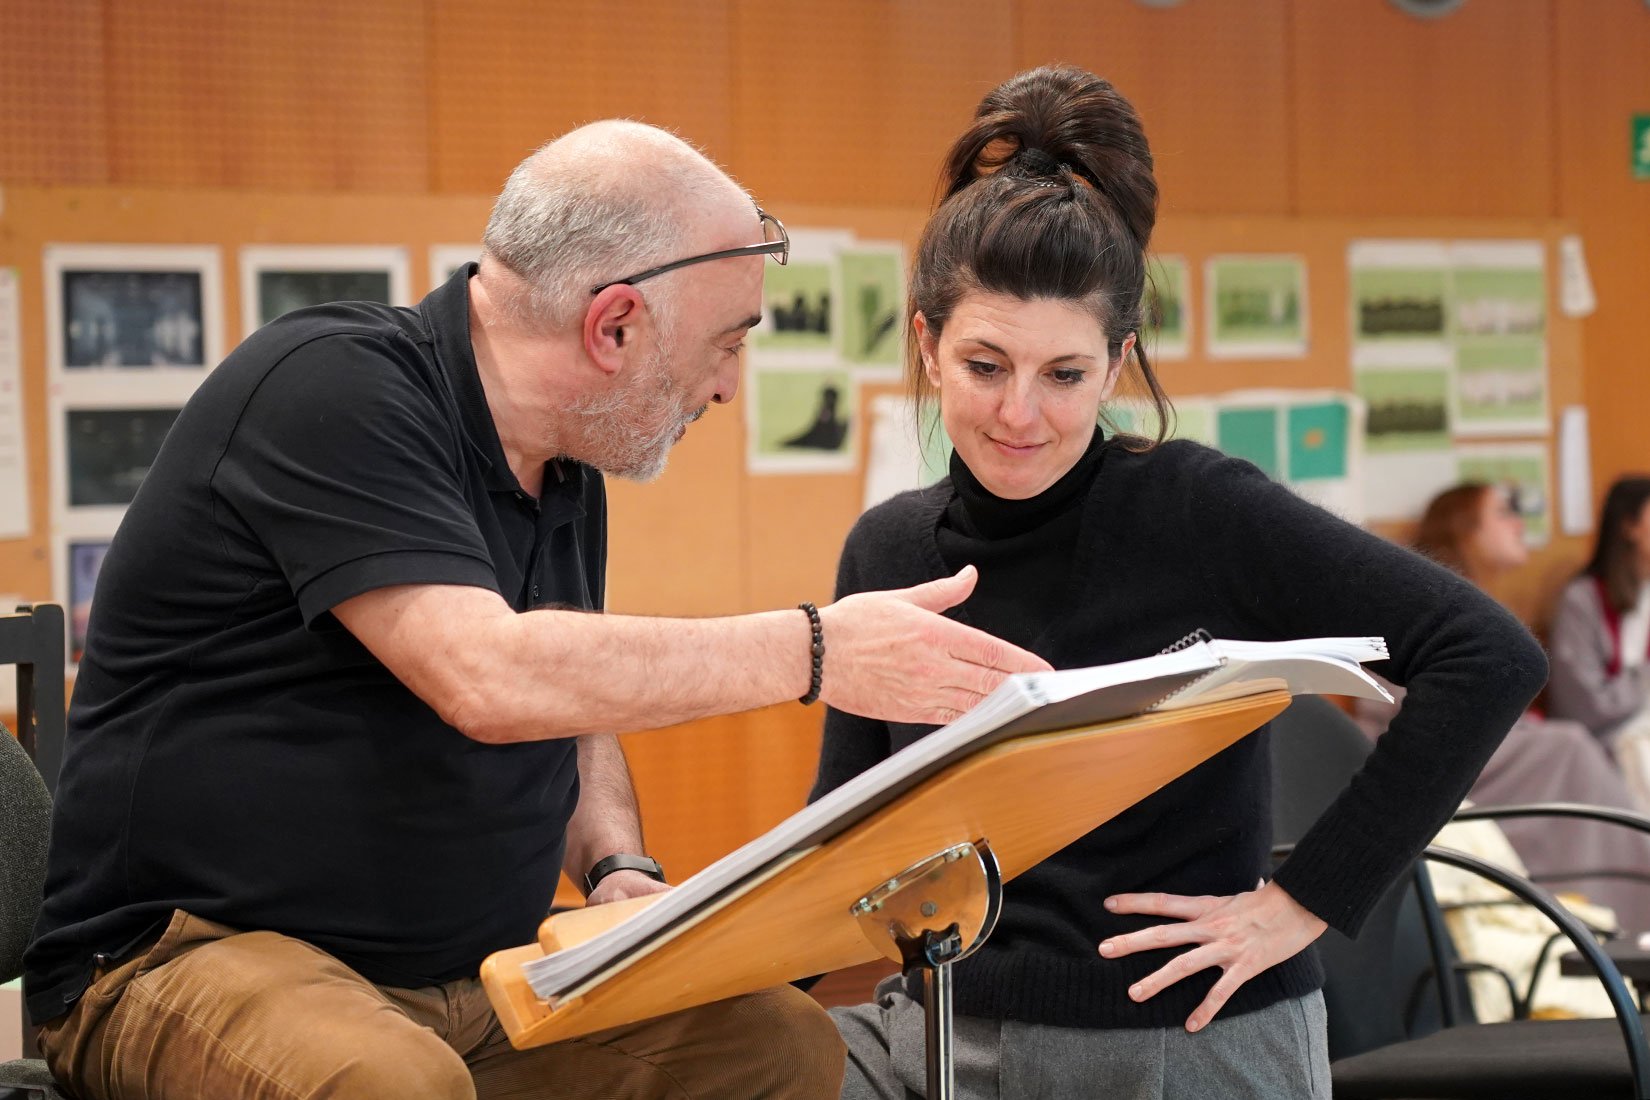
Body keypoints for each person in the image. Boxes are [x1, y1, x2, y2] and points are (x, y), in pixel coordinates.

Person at [23, 120, 1052, 1100]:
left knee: (775, 1044)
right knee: (389, 1082)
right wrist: (820, 647)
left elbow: (566, 691)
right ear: (614, 324)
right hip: (182, 955)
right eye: (727, 344)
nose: (729, 386)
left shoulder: (562, 467)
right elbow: (490, 674)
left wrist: (617, 870)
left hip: (468, 978)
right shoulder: (330, 388)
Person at [811, 66, 1547, 1100]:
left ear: (1117, 363)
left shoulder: (1201, 508)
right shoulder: (886, 550)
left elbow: (1488, 653)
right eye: (986, 365)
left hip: (1187, 1048)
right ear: (929, 346)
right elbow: (844, 833)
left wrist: (1301, 902)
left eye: (1064, 375)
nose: (1021, 411)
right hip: (942, 1036)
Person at [1355, 483, 1650, 935]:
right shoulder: (1423, 600)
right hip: (1429, 746)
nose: (1519, 524)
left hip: (1487, 737)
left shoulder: (1478, 601)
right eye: (1503, 512)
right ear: (1465, 529)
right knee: (1569, 746)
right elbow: (1401, 702)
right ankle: (1628, 912)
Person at [1548, 476, 1650, 752]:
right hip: (1605, 741)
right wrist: (1642, 683)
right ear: (1629, 526)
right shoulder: (1582, 599)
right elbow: (1583, 704)